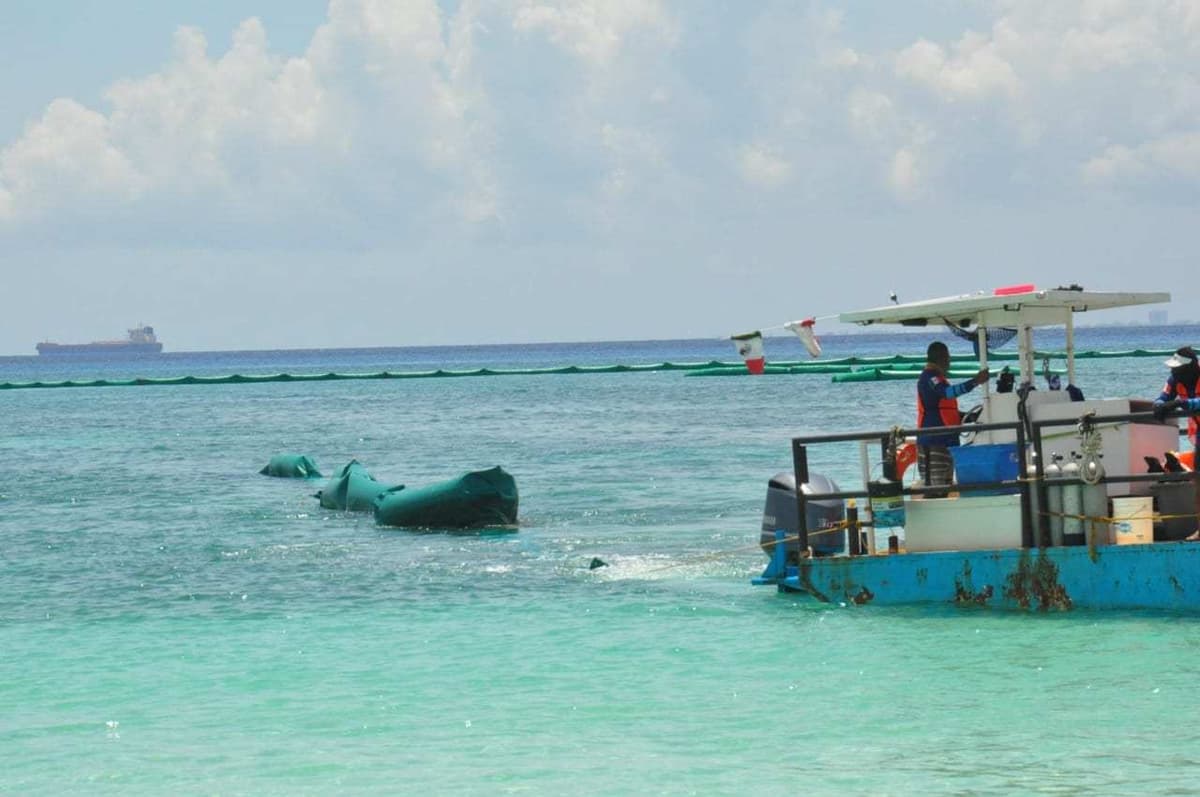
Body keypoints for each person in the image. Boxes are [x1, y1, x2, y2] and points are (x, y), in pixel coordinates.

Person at [916, 341, 989, 490]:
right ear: (941, 358)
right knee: (935, 489)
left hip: (947, 442)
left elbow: (946, 411)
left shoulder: (938, 379)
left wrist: (972, 417)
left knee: (945, 487)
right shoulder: (930, 378)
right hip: (933, 443)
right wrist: (975, 382)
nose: (949, 362)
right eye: (948, 358)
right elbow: (947, 393)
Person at [1152, 346, 1200, 539]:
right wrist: (1159, 406)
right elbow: (1163, 397)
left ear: (1191, 367)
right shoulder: (1174, 379)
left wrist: (1182, 403)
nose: (1173, 371)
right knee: (1198, 481)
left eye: (1178, 368)